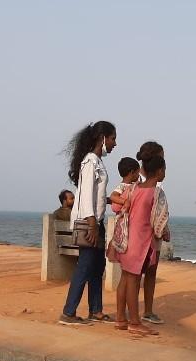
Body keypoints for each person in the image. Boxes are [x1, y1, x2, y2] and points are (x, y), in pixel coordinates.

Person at [60, 121, 117, 326]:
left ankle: (96, 310)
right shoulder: (90, 162)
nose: (114, 143)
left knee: (96, 267)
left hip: (96, 221)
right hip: (89, 222)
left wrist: (110, 200)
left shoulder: (97, 162)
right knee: (84, 267)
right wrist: (92, 224)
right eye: (112, 138)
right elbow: (85, 197)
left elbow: (96, 195)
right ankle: (68, 312)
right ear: (103, 138)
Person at [110, 146, 169, 335]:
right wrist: (163, 232)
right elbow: (158, 222)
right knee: (134, 281)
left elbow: (118, 206)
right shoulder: (157, 192)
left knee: (125, 280)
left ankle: (121, 319)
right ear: (160, 171)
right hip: (141, 243)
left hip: (126, 240)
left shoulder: (133, 188)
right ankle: (134, 322)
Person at [136, 142, 169, 325]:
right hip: (143, 236)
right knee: (136, 274)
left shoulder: (154, 183)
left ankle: (147, 310)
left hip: (152, 235)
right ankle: (136, 311)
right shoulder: (139, 181)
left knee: (150, 272)